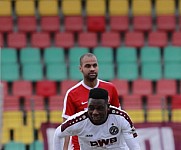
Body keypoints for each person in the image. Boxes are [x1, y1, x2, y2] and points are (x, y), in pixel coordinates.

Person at [62, 53, 120, 149]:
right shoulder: (72, 93)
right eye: (88, 66)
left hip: (106, 144)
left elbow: (118, 118)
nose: (92, 69)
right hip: (80, 146)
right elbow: (65, 128)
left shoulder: (110, 88)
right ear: (80, 68)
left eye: (95, 65)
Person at [54, 88, 140, 150]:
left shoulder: (121, 118)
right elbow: (58, 134)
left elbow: (134, 147)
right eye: (91, 108)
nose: (95, 112)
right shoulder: (78, 121)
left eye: (100, 108)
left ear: (108, 107)